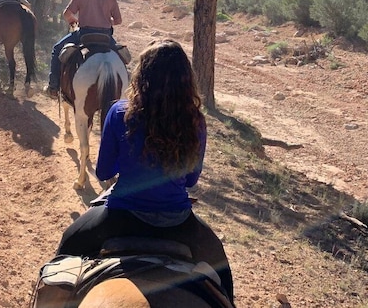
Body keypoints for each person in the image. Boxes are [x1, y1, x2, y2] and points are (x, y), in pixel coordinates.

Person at [55, 39, 235, 303]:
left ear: (142, 75)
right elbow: (191, 180)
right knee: (224, 278)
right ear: (186, 80)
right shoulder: (195, 120)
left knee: (64, 253)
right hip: (178, 221)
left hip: (119, 217)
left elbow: (104, 171)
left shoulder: (119, 113)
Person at [44, 0, 122, 99]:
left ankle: (53, 87)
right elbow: (118, 20)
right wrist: (109, 22)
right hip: (105, 36)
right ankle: (121, 92)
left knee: (57, 49)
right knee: (121, 56)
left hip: (84, 34)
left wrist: (73, 22)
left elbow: (67, 13)